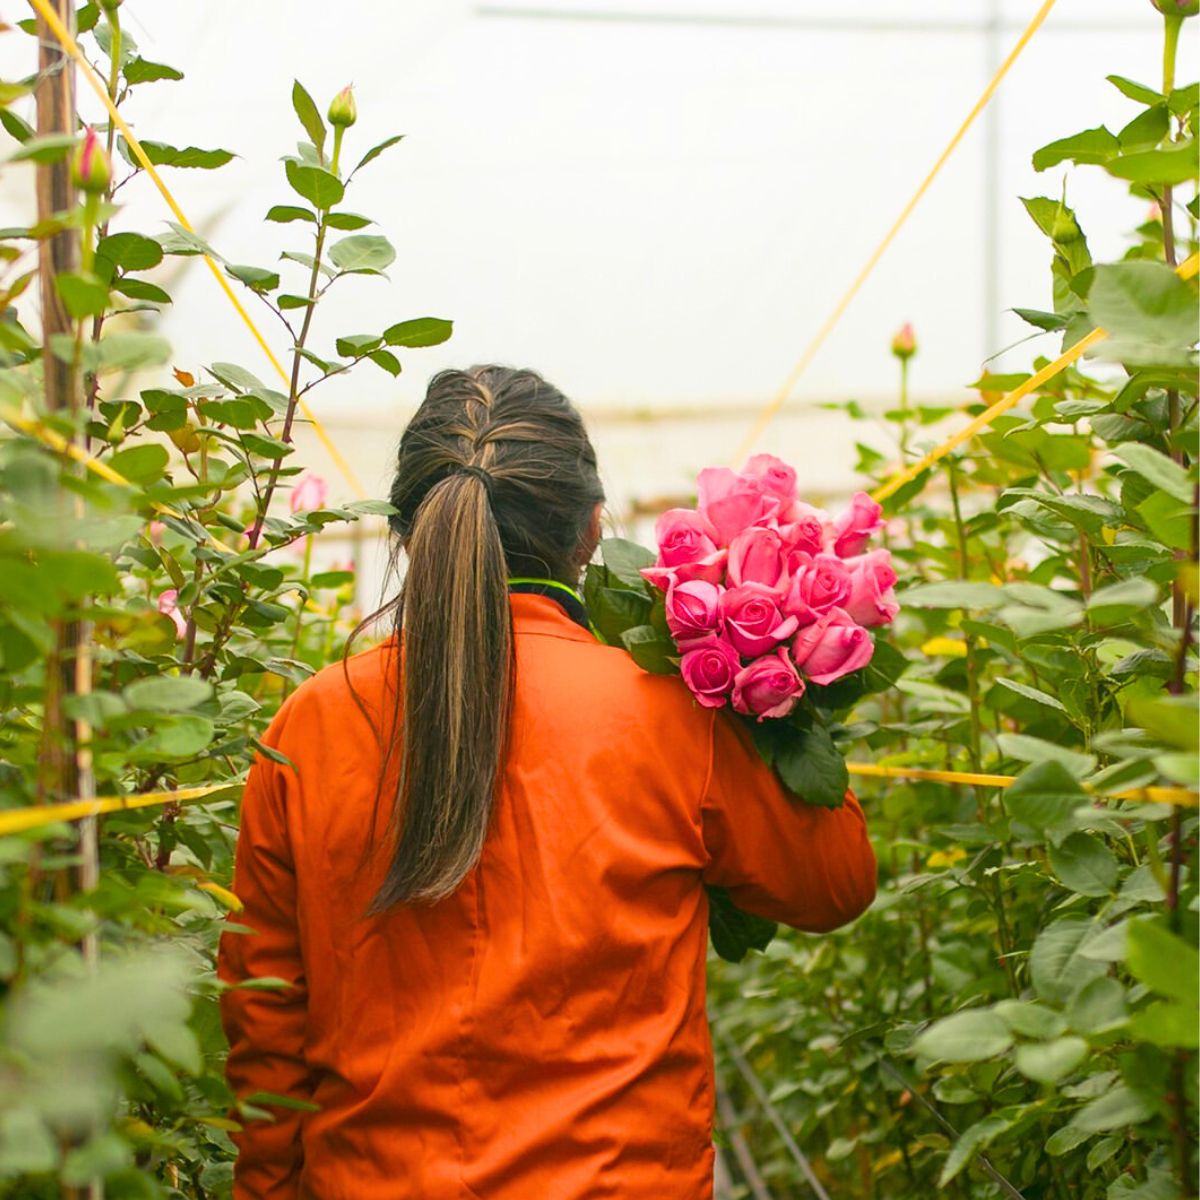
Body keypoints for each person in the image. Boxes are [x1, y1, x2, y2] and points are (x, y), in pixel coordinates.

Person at [218, 365, 877, 1200]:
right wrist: (776, 681)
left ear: (409, 531)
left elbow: (266, 1023)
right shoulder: (675, 715)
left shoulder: (308, 727)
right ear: (593, 527)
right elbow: (835, 885)